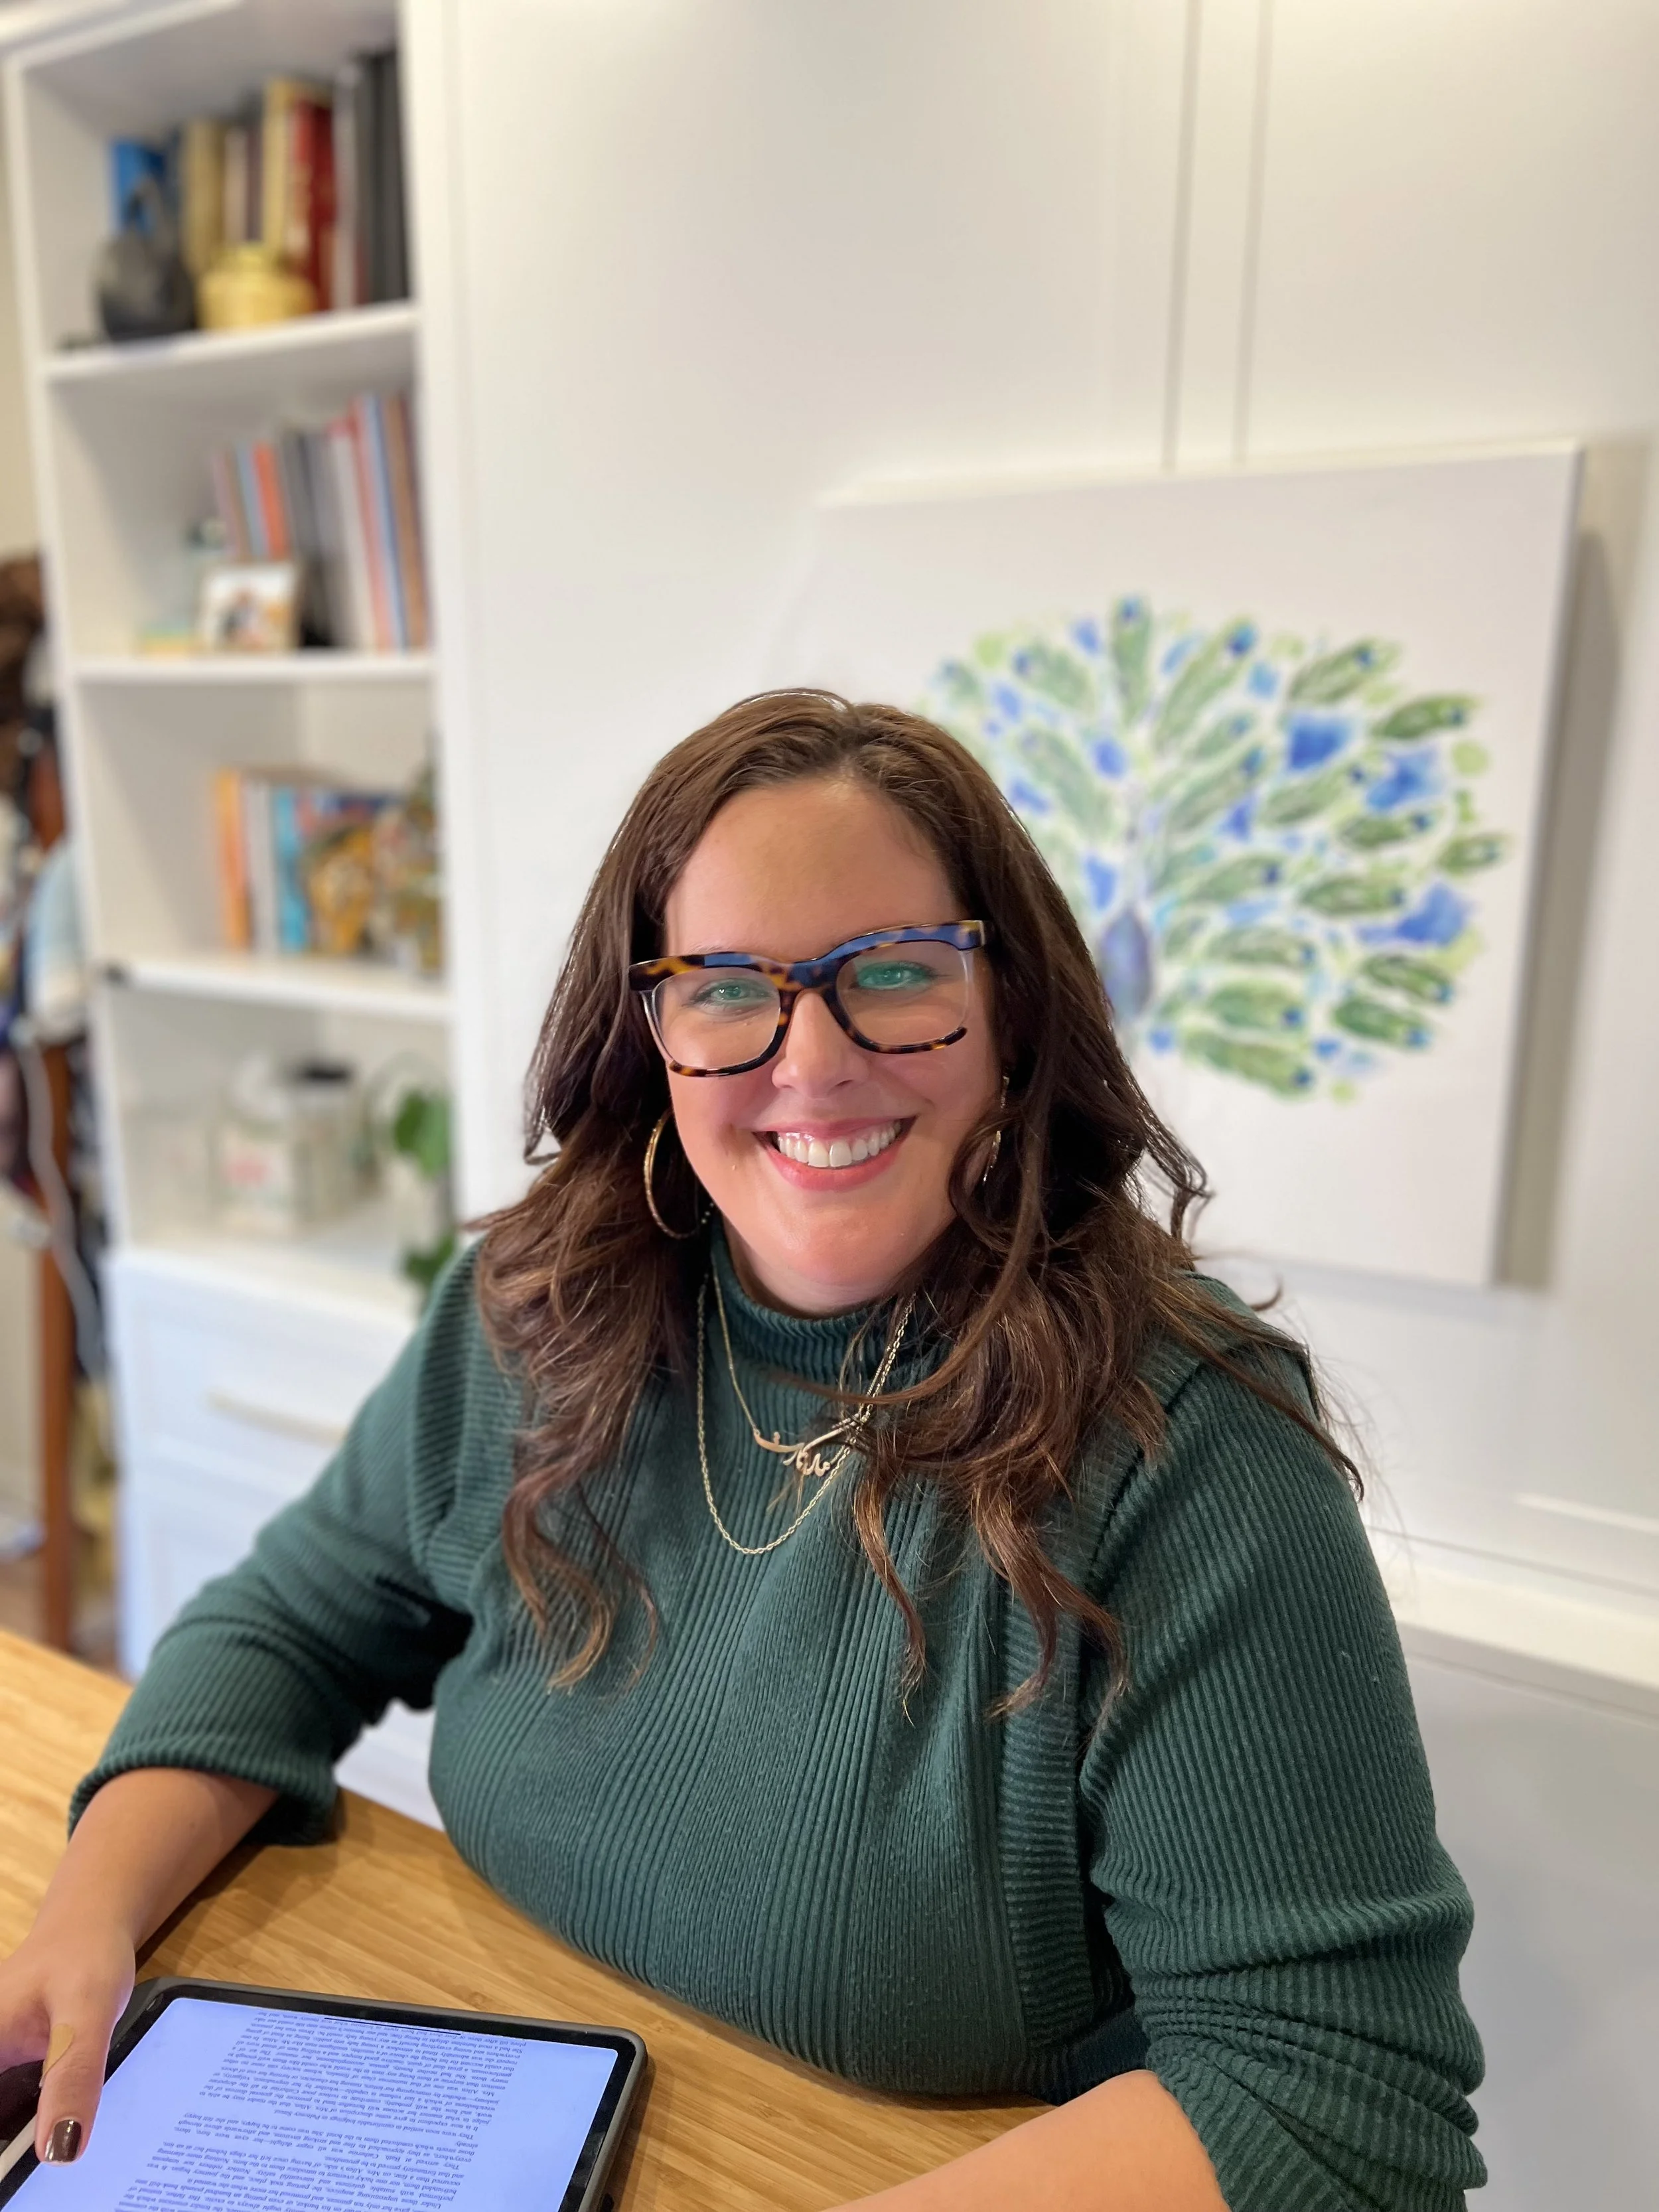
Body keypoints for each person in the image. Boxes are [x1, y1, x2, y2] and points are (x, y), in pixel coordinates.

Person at [0, 692, 1485, 2209]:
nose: (813, 1060)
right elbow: (291, 1620)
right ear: (649, 1035)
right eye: (727, 991)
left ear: (1012, 1011)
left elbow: (1334, 2106)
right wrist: (89, 1914)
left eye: (894, 974)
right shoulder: (534, 1309)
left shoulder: (1190, 1454)